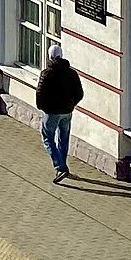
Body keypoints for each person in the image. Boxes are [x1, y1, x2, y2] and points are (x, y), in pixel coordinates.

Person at [35, 42, 85, 182]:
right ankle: (63, 166)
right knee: (64, 139)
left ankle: (60, 167)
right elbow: (79, 93)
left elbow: (40, 93)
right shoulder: (72, 73)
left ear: (50, 57)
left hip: (51, 112)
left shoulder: (47, 73)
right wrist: (71, 105)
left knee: (48, 138)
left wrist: (43, 107)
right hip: (67, 112)